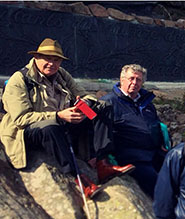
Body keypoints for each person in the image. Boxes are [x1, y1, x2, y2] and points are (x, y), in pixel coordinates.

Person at [0, 38, 134, 198]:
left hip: (62, 121)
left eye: (56, 60)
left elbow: (86, 95)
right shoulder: (19, 80)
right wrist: (58, 116)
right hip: (28, 131)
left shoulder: (62, 75)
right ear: (36, 58)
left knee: (102, 107)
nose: (52, 63)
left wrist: (83, 104)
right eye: (47, 58)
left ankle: (102, 162)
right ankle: (79, 179)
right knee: (51, 127)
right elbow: (21, 118)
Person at [100, 64, 166, 196]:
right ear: (122, 79)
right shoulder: (108, 103)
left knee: (182, 171)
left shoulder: (147, 103)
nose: (134, 83)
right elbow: (100, 132)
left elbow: (156, 124)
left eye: (138, 80)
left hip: (154, 153)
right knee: (159, 184)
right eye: (131, 78)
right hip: (131, 157)